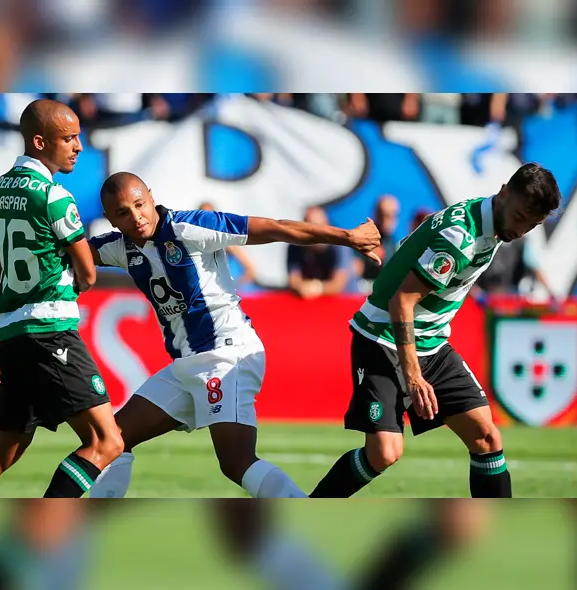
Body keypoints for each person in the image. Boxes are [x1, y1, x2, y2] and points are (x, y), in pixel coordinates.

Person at [87, 171, 381, 498]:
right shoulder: (118, 247)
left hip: (227, 356)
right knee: (111, 440)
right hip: (185, 368)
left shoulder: (190, 227)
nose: (136, 216)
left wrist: (346, 236)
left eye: (140, 204)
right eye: (123, 212)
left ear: (152, 197)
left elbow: (278, 227)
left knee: (236, 462)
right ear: (110, 219)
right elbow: (70, 252)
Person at [311, 162, 562, 498]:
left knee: (486, 437)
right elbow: (402, 302)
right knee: (384, 453)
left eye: (532, 225)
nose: (521, 230)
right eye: (519, 218)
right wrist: (414, 377)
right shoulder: (461, 237)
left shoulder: (492, 220)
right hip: (383, 337)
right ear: (503, 192)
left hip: (431, 341)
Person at [0, 98, 123, 499]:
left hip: (12, 335)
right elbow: (89, 274)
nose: (78, 146)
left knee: (4, 450)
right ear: (40, 141)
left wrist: (2, 336)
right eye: (69, 138)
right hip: (51, 332)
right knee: (106, 441)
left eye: (78, 136)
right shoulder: (54, 196)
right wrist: (69, 284)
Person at [287, 206, 355, 299]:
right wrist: (303, 288)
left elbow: (338, 285)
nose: (316, 233)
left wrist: (316, 288)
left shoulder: (340, 246)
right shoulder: (295, 247)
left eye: (319, 227)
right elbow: (294, 281)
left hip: (346, 302)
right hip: (311, 304)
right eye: (310, 228)